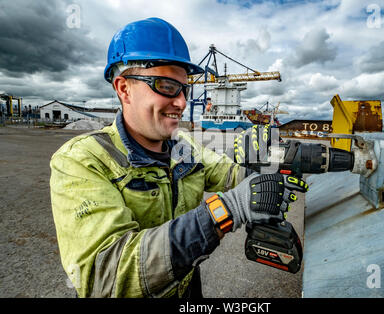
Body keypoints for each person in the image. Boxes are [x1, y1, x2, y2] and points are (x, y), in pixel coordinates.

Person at [50, 17, 307, 298]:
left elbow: (230, 174)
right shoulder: (82, 161)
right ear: (124, 88)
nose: (182, 102)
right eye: (166, 86)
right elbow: (105, 275)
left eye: (184, 89)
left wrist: (266, 174)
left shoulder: (182, 146)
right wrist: (226, 211)